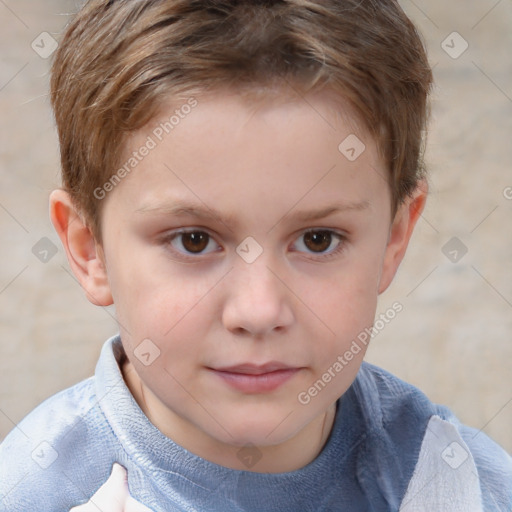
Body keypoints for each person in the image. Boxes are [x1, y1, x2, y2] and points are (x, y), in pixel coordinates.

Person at [0, 0, 510, 510]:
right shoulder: (30, 491)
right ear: (91, 251)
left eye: (318, 240)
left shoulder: (459, 487)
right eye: (194, 240)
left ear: (394, 239)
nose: (260, 311)